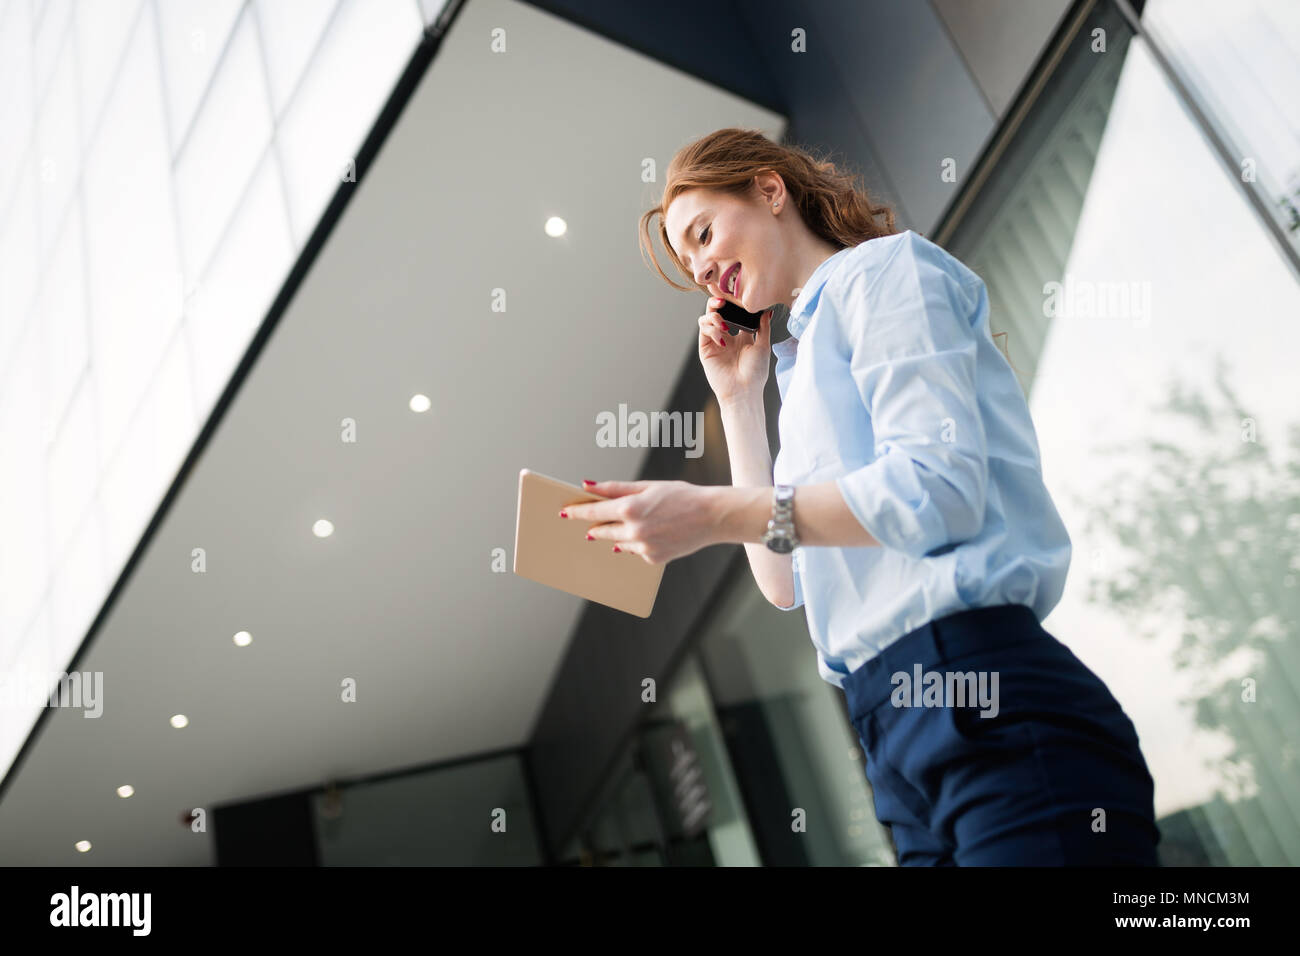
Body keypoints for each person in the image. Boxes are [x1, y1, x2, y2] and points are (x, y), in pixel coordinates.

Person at [559, 128, 1160, 866]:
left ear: (770, 190)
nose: (705, 269)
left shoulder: (883, 274)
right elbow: (782, 582)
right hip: (888, 735)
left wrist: (710, 513)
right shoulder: (798, 363)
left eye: (704, 233)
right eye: (691, 267)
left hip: (981, 696)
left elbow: (937, 490)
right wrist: (741, 402)